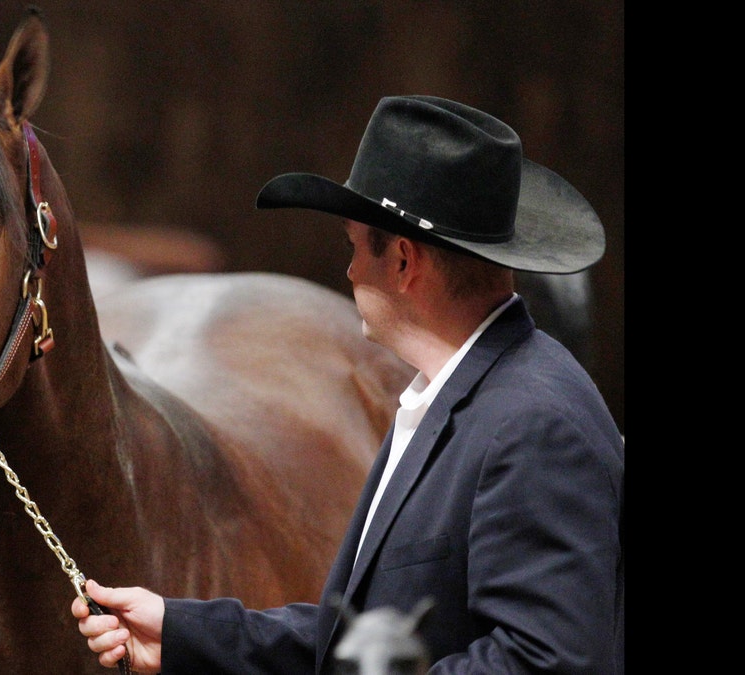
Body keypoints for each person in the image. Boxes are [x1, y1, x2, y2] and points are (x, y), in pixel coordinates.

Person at [72, 95, 624, 673]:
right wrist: (184, 633)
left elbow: (548, 663)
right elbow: (365, 640)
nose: (350, 270)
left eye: (355, 246)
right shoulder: (450, 394)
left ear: (404, 261)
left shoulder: (535, 424)